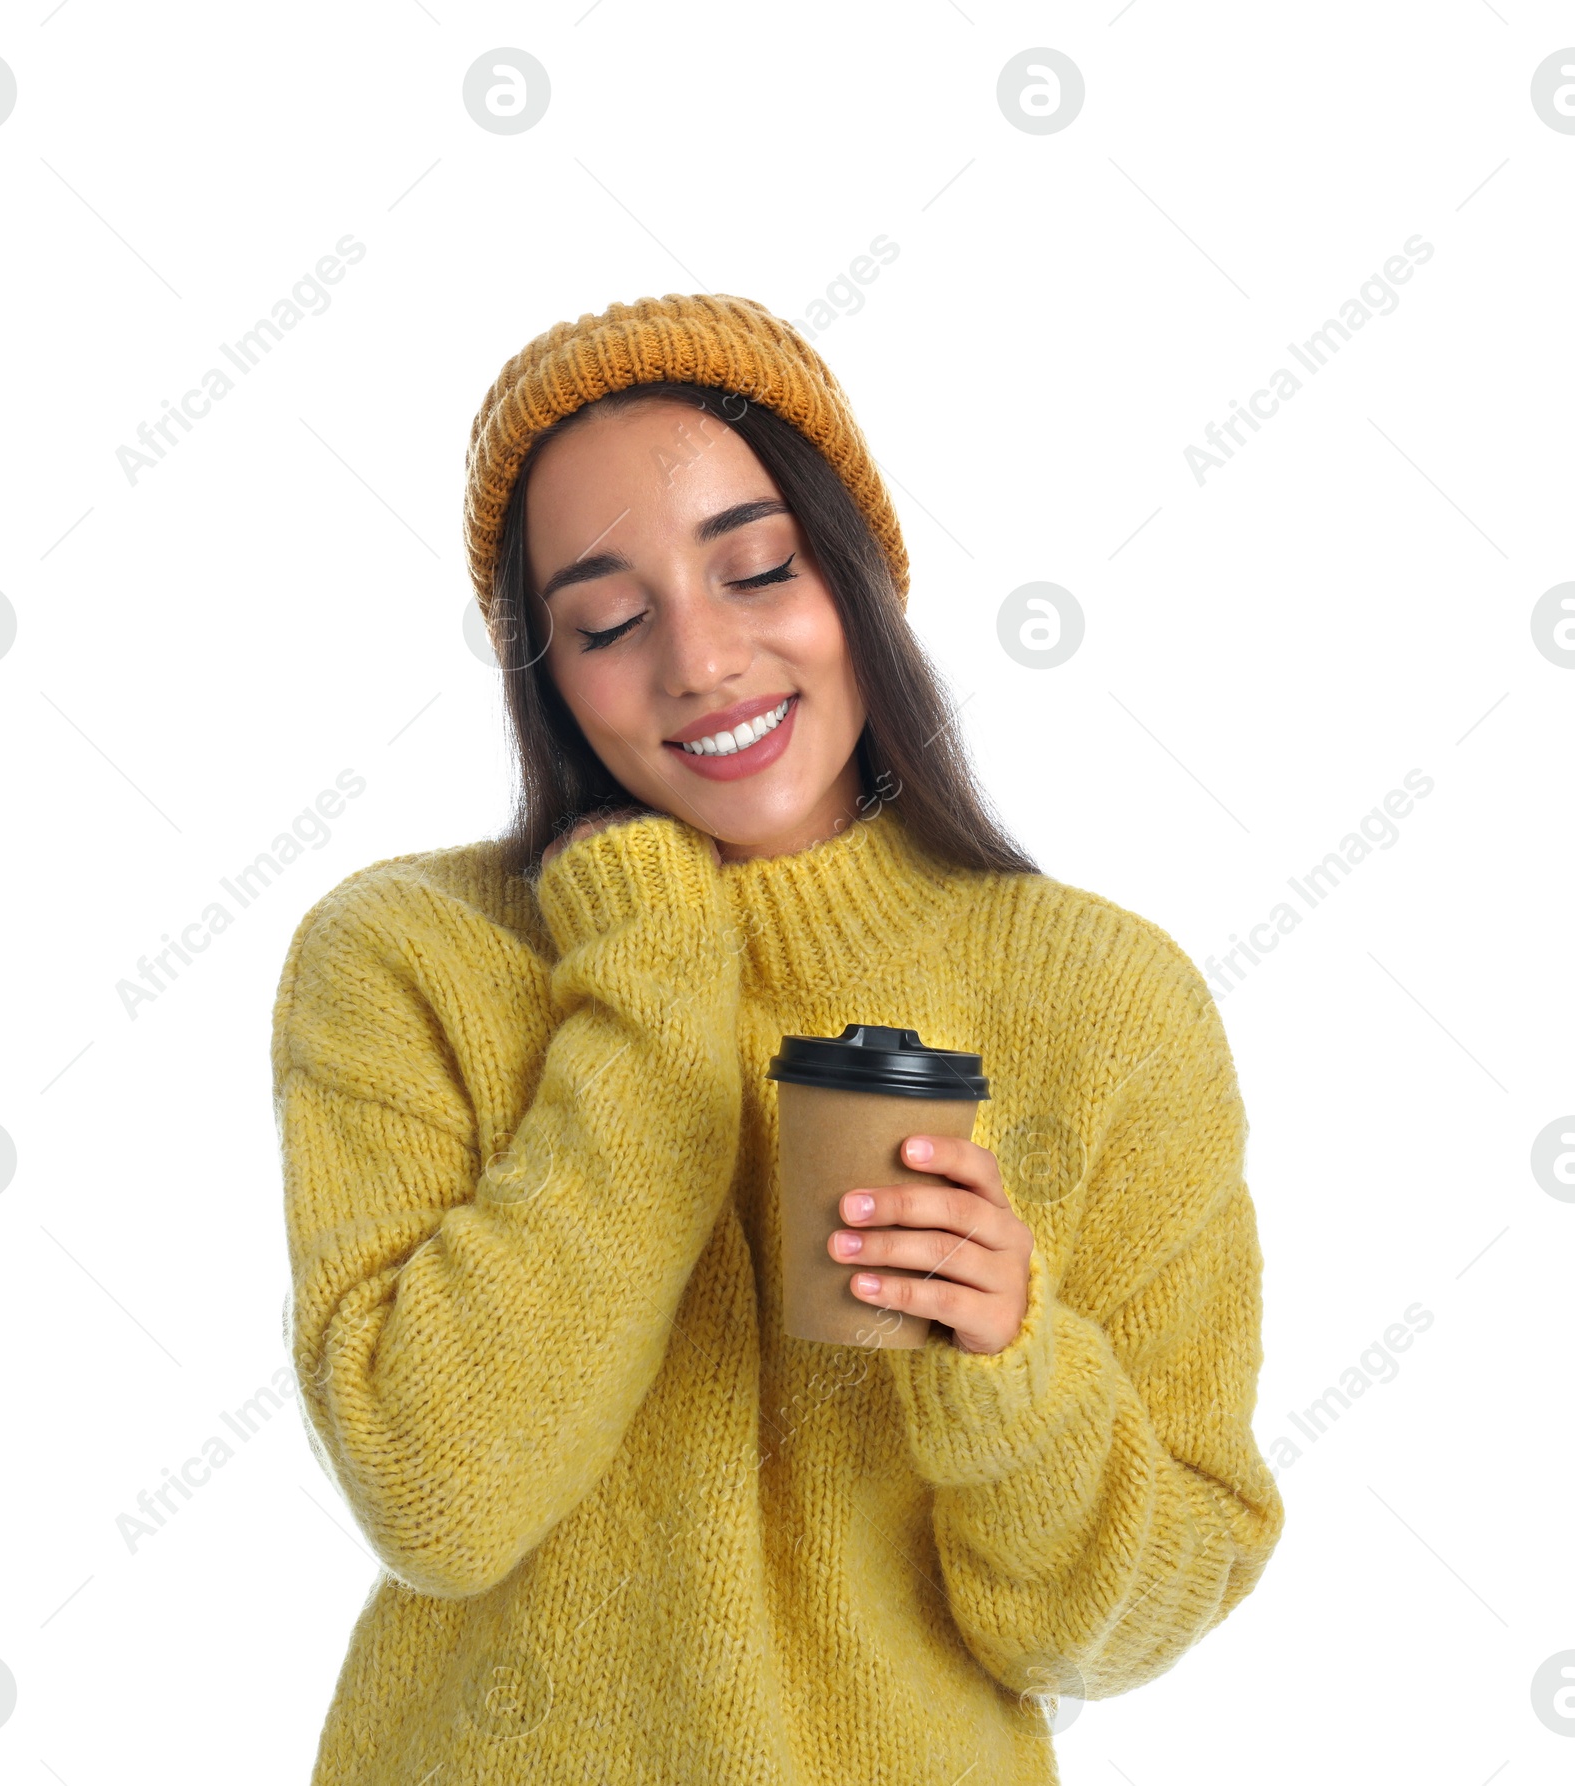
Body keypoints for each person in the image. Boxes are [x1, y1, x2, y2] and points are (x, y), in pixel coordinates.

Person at [271, 292, 1285, 1784]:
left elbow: (1119, 1628)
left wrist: (1011, 1359)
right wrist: (655, 980)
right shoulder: (409, 959)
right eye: (610, 620)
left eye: (755, 568)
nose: (702, 658)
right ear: (543, 671)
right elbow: (440, 1494)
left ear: (860, 571)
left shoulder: (1106, 1002)